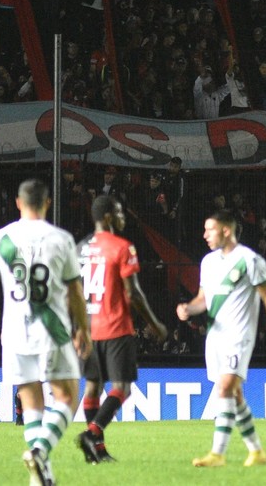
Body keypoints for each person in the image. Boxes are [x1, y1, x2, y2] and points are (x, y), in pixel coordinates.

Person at [0, 179, 91, 486]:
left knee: (31, 404)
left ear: (18, 203)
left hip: (15, 333)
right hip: (53, 332)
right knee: (68, 398)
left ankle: (38, 478)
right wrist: (83, 327)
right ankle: (41, 452)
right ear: (47, 203)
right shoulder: (60, 239)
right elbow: (75, 291)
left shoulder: (1, 238)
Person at [176, 209, 266, 468]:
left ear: (226, 230)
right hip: (214, 337)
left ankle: (217, 454)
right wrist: (188, 309)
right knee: (235, 395)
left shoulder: (250, 260)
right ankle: (256, 450)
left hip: (239, 336)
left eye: (210, 229)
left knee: (225, 387)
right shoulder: (208, 262)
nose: (205, 235)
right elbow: (203, 299)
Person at [76, 195, 168, 464]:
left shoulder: (80, 248)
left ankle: (97, 451)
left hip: (90, 327)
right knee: (122, 388)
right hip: (115, 326)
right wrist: (155, 324)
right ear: (107, 217)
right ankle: (92, 432)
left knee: (93, 388)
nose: (123, 217)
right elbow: (134, 293)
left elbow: (72, 290)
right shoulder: (122, 247)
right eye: (119, 212)